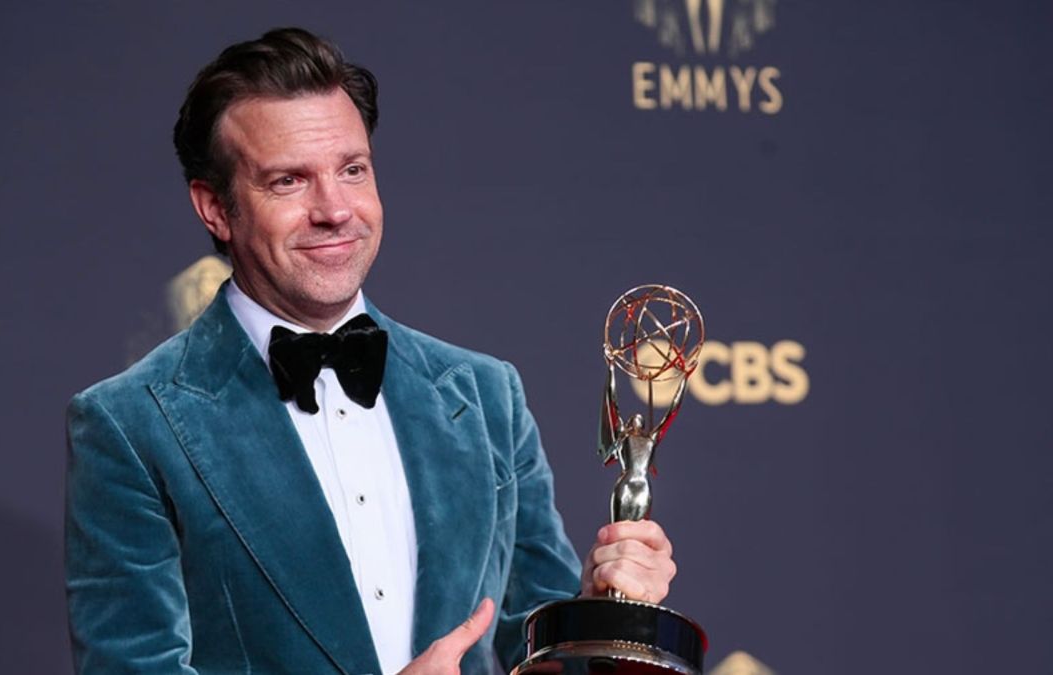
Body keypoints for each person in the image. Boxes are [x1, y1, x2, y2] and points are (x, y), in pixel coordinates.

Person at [64, 27, 677, 675]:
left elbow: (539, 649)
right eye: (288, 181)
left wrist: (606, 610)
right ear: (215, 207)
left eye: (352, 170)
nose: (334, 209)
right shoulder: (130, 424)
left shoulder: (486, 392)